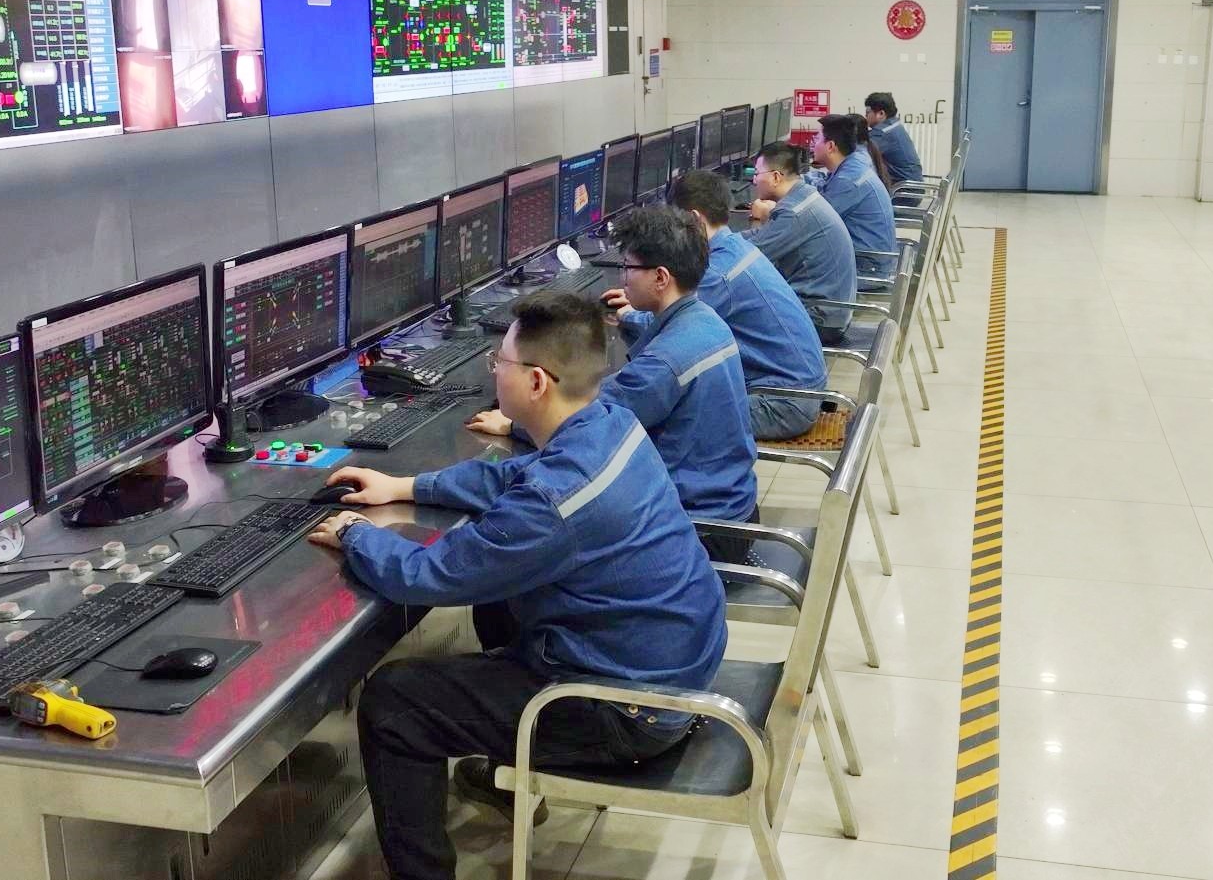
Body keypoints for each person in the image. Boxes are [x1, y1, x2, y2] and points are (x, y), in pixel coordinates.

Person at [309, 291, 728, 880]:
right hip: (669, 662)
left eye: (498, 363)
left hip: (629, 710)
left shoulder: (555, 503)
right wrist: (407, 486)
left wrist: (355, 533)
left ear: (534, 382)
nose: (493, 372)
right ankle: (504, 768)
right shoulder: (611, 422)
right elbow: (517, 475)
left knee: (395, 702)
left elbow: (427, 574)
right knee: (498, 604)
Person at [471, 206, 758, 530]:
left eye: (628, 267)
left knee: (536, 520)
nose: (622, 278)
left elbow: (582, 421)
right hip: (731, 502)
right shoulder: (704, 319)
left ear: (660, 278)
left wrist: (513, 423)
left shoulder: (664, 363)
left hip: (702, 523)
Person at [641, 169, 829, 440]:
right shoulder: (736, 248)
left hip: (781, 402)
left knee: (664, 417)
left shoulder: (719, 273)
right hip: (800, 389)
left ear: (694, 219)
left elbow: (673, 324)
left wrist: (628, 314)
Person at [743, 141, 858, 345]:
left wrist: (753, 221)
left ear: (775, 177)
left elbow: (748, 258)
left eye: (757, 173)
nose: (753, 180)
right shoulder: (804, 196)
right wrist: (724, 238)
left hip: (819, 320)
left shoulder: (793, 212)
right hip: (832, 311)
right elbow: (762, 236)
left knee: (737, 314)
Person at [810, 114, 897, 279]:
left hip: (867, 268)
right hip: (872, 260)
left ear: (830, 146)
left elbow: (815, 222)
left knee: (793, 265)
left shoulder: (848, 180)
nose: (814, 143)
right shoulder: (852, 166)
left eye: (818, 138)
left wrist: (772, 211)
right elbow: (826, 188)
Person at [863, 92, 924, 186]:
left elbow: (859, 152)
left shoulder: (883, 132)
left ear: (881, 114)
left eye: (868, 112)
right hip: (912, 186)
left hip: (902, 189)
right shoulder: (895, 125)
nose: (865, 116)